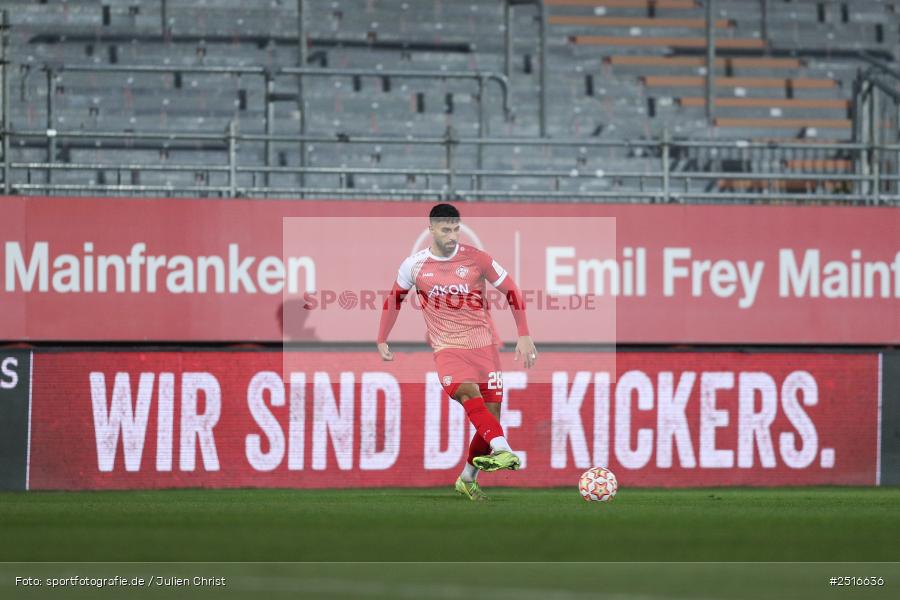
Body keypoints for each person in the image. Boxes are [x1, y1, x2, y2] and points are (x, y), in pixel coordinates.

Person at [376, 203, 537, 501]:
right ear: (431, 229)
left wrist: (524, 334)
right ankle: (504, 449)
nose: (451, 234)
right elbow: (393, 300)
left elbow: (512, 290)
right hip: (448, 348)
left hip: (485, 348)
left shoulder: (477, 260)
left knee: (490, 419)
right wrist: (382, 337)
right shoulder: (414, 265)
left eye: (455, 228)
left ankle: (467, 478)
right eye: (445, 229)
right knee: (466, 391)